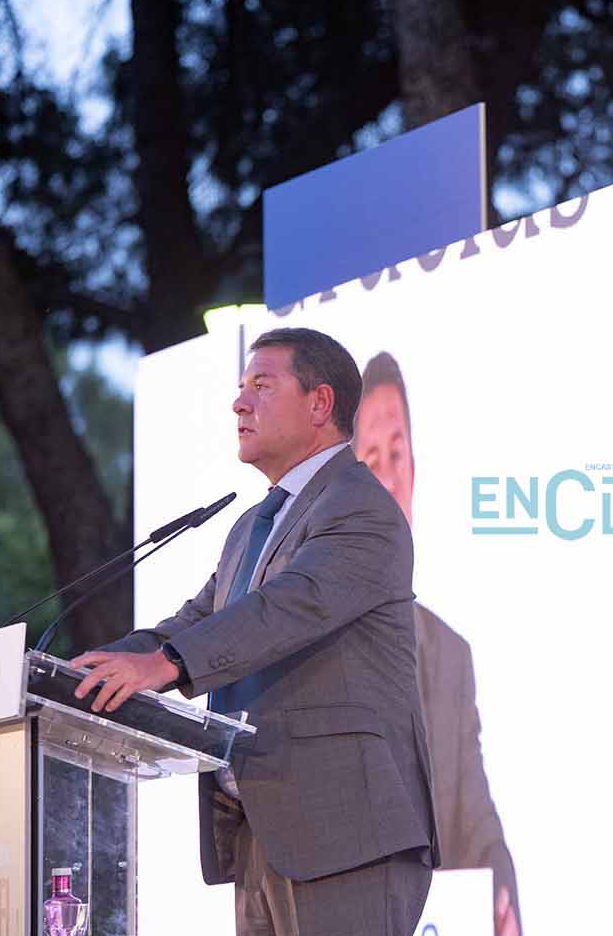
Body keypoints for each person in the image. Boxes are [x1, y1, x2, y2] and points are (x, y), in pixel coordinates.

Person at [71, 327, 438, 936]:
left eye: (261, 386)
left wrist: (165, 664)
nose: (239, 404)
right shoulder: (251, 525)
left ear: (320, 403)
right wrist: (79, 674)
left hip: (347, 834)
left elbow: (288, 607)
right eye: (241, 388)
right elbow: (194, 623)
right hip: (261, 832)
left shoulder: (361, 505)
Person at [354, 350, 523, 936]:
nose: (389, 475)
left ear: (416, 469)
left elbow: (473, 814)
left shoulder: (451, 655)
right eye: (370, 459)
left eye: (397, 453)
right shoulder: (307, 636)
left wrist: (499, 881)